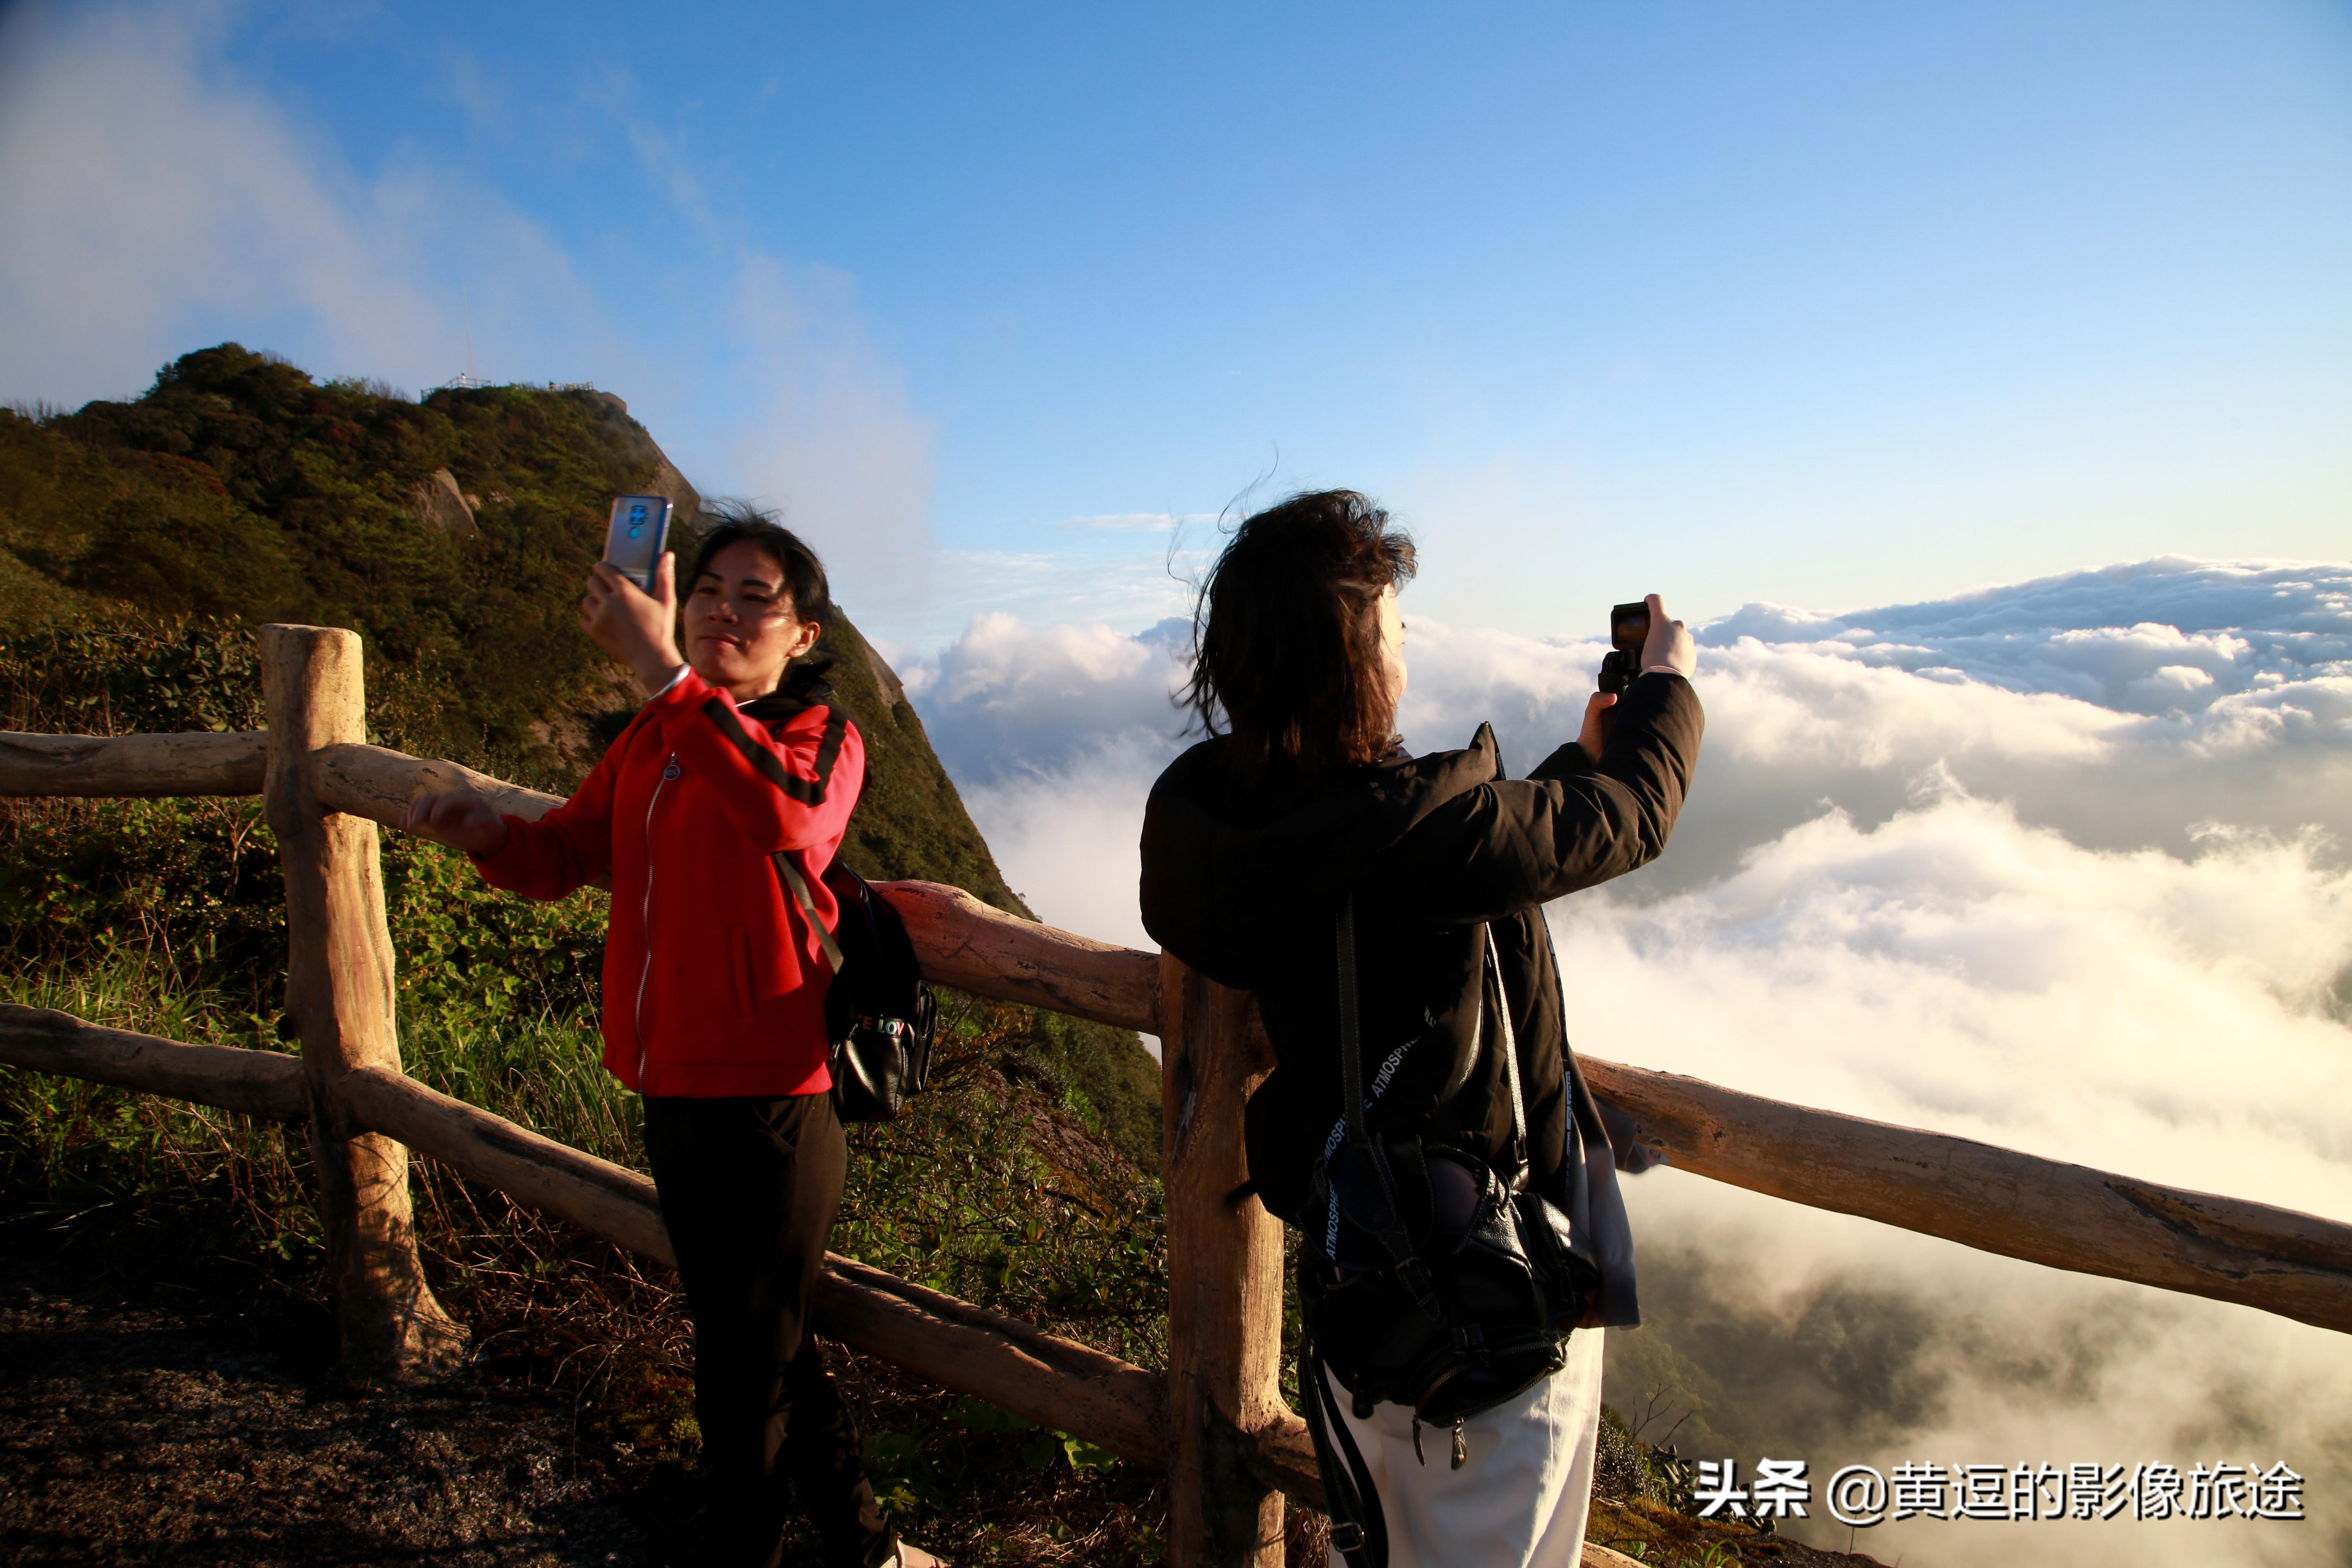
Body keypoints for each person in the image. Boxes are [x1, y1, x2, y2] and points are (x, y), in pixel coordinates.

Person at [1137, 490, 1702, 1568]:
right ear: (1349, 654)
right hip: (1481, 1329)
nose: (1404, 650)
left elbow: (1411, 876)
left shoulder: (1240, 834)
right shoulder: (1432, 835)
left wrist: (1573, 767)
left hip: (1362, 1322)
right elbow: (1636, 819)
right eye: (1392, 629)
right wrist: (1667, 689)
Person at [402, 504, 936, 1568]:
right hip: (671, 1084)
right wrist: (488, 839)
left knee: (742, 1369)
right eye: (708, 592)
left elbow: (788, 816)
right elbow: (569, 855)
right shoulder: (657, 733)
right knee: (759, 1341)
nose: (723, 612)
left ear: (804, 638)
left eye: (757, 599)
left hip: (774, 1093)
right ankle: (864, 1543)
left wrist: (662, 670)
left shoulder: (821, 736)